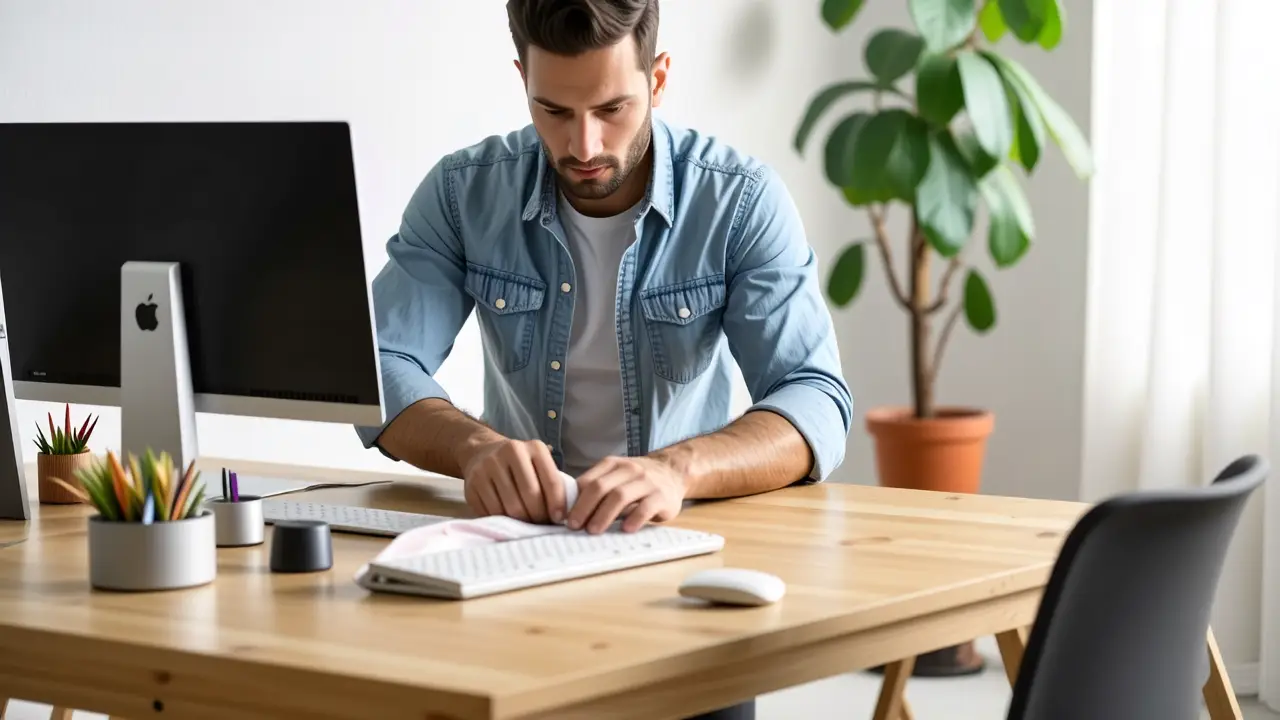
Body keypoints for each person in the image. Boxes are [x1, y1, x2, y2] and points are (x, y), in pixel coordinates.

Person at [356, 1, 852, 715]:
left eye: (612, 107)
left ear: (659, 78)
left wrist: (679, 471)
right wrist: (475, 449)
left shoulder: (740, 201)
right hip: (516, 560)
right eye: (553, 110)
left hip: (681, 565)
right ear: (522, 76)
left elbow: (814, 399)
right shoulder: (464, 193)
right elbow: (378, 363)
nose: (583, 143)